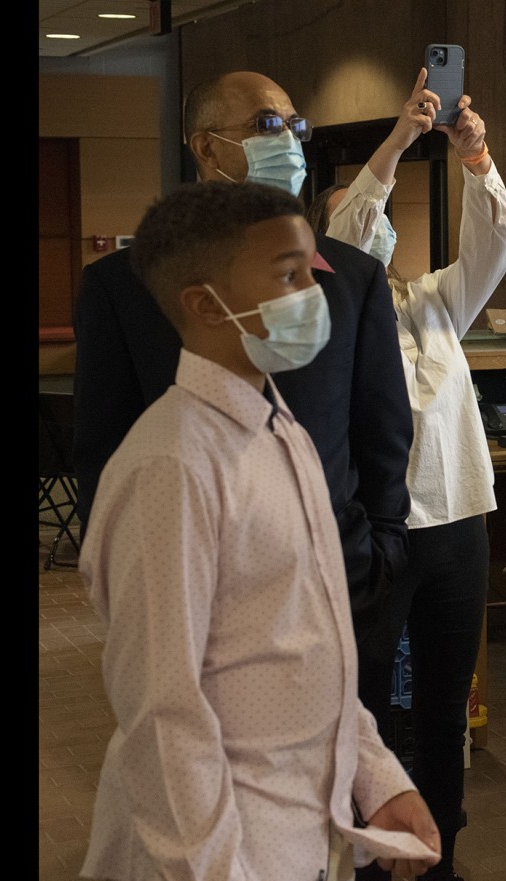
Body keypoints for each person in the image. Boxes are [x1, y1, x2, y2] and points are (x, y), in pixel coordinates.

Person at [78, 180, 441, 881]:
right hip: (219, 859)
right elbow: (161, 716)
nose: (315, 290)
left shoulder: (281, 429)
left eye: (311, 267)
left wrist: (377, 777)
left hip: (303, 834)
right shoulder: (172, 467)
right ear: (206, 304)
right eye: (287, 273)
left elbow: (311, 649)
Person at [71, 71, 414, 770]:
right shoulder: (128, 285)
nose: (287, 139)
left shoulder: (350, 278)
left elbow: (383, 436)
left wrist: (379, 554)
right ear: (206, 147)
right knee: (210, 766)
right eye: (265, 125)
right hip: (196, 594)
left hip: (339, 580)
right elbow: (104, 451)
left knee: (354, 778)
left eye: (294, 126)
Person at [307, 70, 506, 881]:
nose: (384, 234)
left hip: (461, 523)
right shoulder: (331, 317)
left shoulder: (436, 303)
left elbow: (495, 245)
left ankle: (442, 869)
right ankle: (359, 869)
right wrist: (396, 142)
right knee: (366, 708)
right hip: (378, 530)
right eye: (371, 216)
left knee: (442, 709)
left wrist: (476, 160)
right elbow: (354, 235)